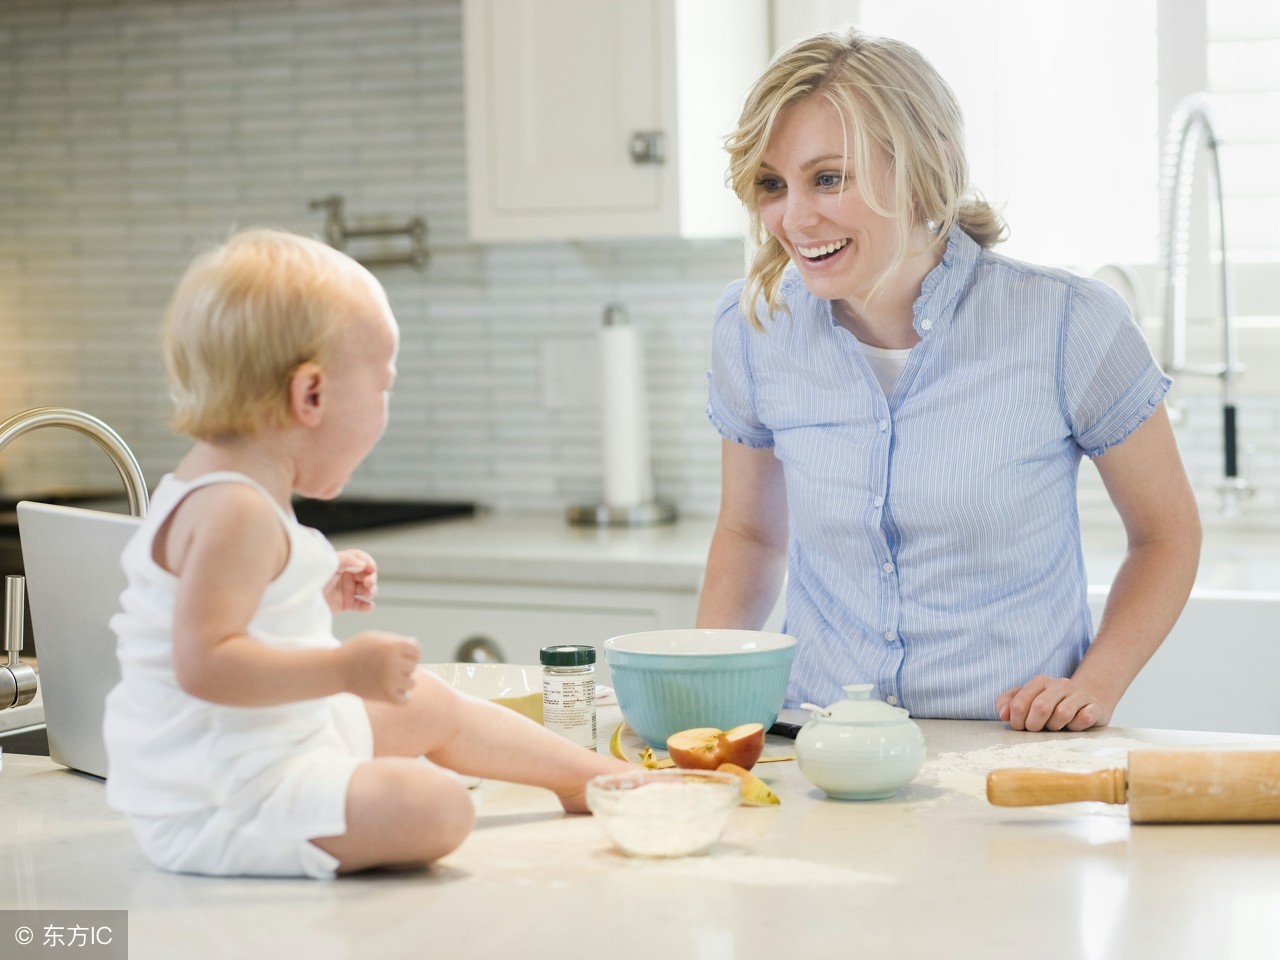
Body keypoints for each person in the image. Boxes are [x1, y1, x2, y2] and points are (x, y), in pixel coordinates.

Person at [697, 29, 1201, 733]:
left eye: (829, 178)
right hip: (819, 741)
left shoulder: (1066, 323)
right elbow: (751, 534)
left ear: (922, 167)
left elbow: (1167, 534)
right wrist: (708, 702)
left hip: (1013, 752)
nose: (794, 217)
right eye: (772, 185)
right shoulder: (755, 327)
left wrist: (1096, 685)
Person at [103, 228, 627, 879]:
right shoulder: (234, 509)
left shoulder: (228, 488)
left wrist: (306, 589)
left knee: (429, 702)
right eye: (383, 386)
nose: (386, 407)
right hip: (225, 797)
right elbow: (206, 664)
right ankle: (567, 779)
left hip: (270, 739)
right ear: (311, 395)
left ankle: (591, 779)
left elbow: (236, 609)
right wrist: (343, 670)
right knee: (435, 807)